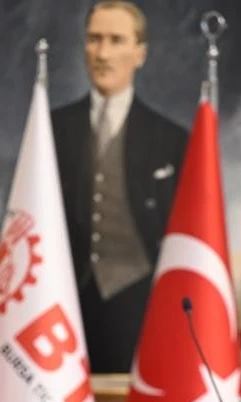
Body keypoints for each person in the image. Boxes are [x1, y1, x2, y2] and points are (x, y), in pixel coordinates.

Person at [51, 0, 189, 374]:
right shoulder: (51, 130)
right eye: (94, 39)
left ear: (140, 53)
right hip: (61, 307)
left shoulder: (171, 139)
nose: (103, 53)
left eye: (116, 40)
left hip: (141, 307)